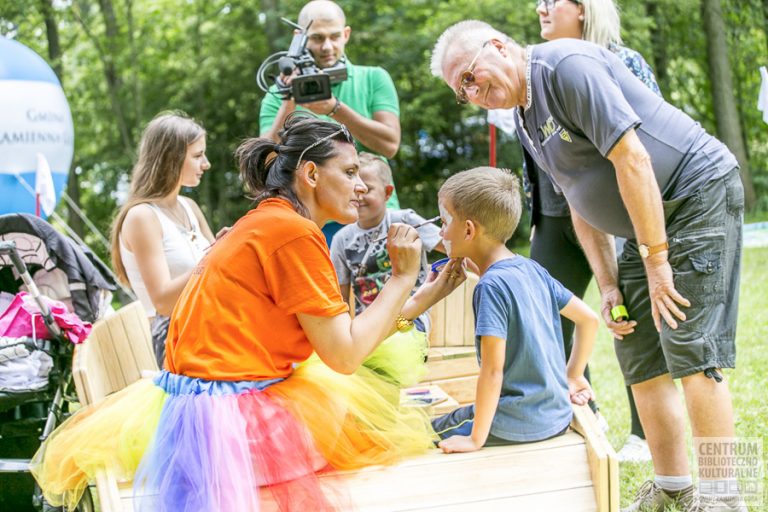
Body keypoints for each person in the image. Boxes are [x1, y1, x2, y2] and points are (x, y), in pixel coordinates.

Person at [31, 113, 469, 511]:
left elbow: (345, 338)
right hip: (234, 433)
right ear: (311, 174)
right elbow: (345, 355)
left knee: (352, 392)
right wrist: (401, 276)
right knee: (362, 413)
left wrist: (421, 298)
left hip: (202, 414)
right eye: (350, 172)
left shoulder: (269, 218)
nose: (361, 186)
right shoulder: (294, 234)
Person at [432, 21, 745, 512]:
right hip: (642, 226)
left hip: (694, 194)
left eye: (470, 77)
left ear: (497, 46)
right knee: (638, 351)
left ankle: (724, 498)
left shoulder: (565, 67)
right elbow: (577, 198)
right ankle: (673, 486)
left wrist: (657, 260)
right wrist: (609, 283)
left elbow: (633, 159)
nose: (472, 94)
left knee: (693, 347)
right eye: (461, 91)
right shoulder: (524, 117)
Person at [528, 0, 662, 462]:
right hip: (555, 217)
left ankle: (643, 435)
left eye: (551, 0)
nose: (540, 8)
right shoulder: (531, 71)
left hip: (616, 213)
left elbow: (646, 143)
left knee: (630, 318)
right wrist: (536, 217)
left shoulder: (624, 61)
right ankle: (585, 413)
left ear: (583, 9)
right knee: (547, 315)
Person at [428, 167, 598, 453]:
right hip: (555, 417)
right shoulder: (532, 269)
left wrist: (475, 439)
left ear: (468, 230)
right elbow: (589, 320)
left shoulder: (490, 287)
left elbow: (493, 371)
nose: (441, 232)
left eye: (444, 222)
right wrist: (574, 375)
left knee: (424, 431)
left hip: (513, 421)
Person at [259, 0, 403, 242]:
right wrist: (289, 99)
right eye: (317, 38)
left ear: (346, 34)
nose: (327, 46)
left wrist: (335, 108)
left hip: (373, 216)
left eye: (334, 36)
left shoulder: (374, 78)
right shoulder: (278, 94)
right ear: (299, 38)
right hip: (308, 222)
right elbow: (265, 162)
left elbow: (390, 145)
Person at [110, 112, 215, 367]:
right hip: (175, 339)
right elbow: (163, 302)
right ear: (172, 158)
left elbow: (219, 276)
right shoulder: (142, 217)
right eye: (198, 156)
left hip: (209, 325)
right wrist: (216, 257)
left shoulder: (190, 207)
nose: (206, 164)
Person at [330, 152, 445, 335]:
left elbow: (452, 245)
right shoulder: (341, 239)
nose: (359, 195)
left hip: (411, 318)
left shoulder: (405, 221)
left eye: (367, 189)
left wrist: (484, 268)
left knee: (398, 342)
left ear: (388, 193)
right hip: (367, 325)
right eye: (353, 188)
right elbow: (340, 297)